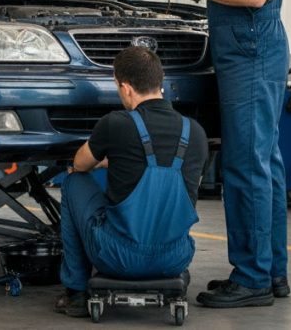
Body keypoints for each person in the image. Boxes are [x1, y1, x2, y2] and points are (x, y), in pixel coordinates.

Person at [156, 0, 290, 308]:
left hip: (251, 56)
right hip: (251, 53)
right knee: (264, 164)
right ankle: (271, 273)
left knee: (246, 165)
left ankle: (252, 278)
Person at [54, 46, 207, 317]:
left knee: (73, 182)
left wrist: (105, 160)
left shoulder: (116, 123)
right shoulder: (194, 132)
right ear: (160, 83)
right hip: (174, 258)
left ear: (125, 88)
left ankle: (76, 292)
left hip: (118, 257)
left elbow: (79, 164)